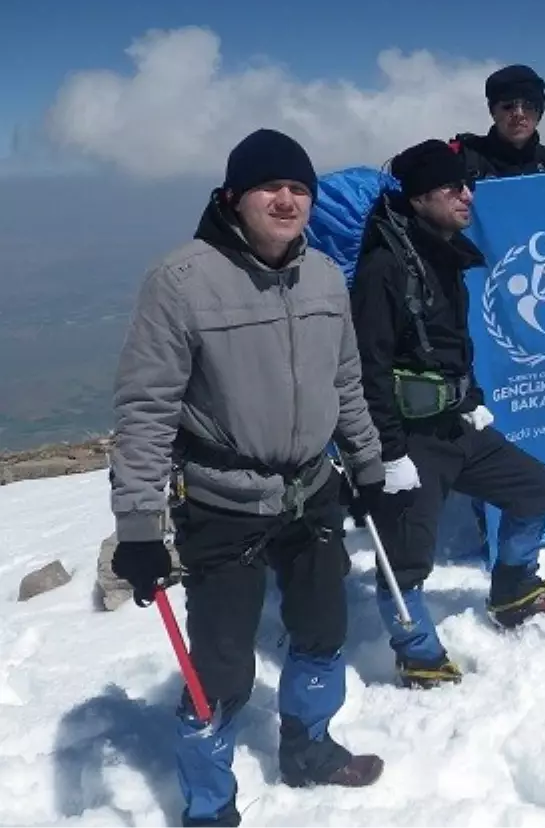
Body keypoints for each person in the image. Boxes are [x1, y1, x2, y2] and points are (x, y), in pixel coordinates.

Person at [107, 128, 386, 827]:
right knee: (222, 668)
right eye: (271, 186)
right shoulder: (181, 282)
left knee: (322, 629)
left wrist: (367, 464)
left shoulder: (323, 276)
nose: (287, 199)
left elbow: (345, 382)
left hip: (311, 488)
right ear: (234, 197)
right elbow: (147, 410)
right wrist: (139, 529)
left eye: (299, 188)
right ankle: (209, 805)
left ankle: (309, 749)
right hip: (223, 500)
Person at [349, 139, 545, 689]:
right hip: (411, 440)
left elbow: (450, 346)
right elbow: (366, 367)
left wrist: (470, 404)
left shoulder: (442, 256)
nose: (468, 195)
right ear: (421, 196)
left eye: (466, 185)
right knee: (406, 558)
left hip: (455, 426)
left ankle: (513, 585)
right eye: (454, 187)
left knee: (533, 486)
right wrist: (389, 450)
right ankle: (416, 651)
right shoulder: (385, 269)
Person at [449, 64, 545, 179]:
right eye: (508, 106)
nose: (519, 114)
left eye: (528, 106)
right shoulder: (461, 160)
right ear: (493, 112)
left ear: (539, 112)